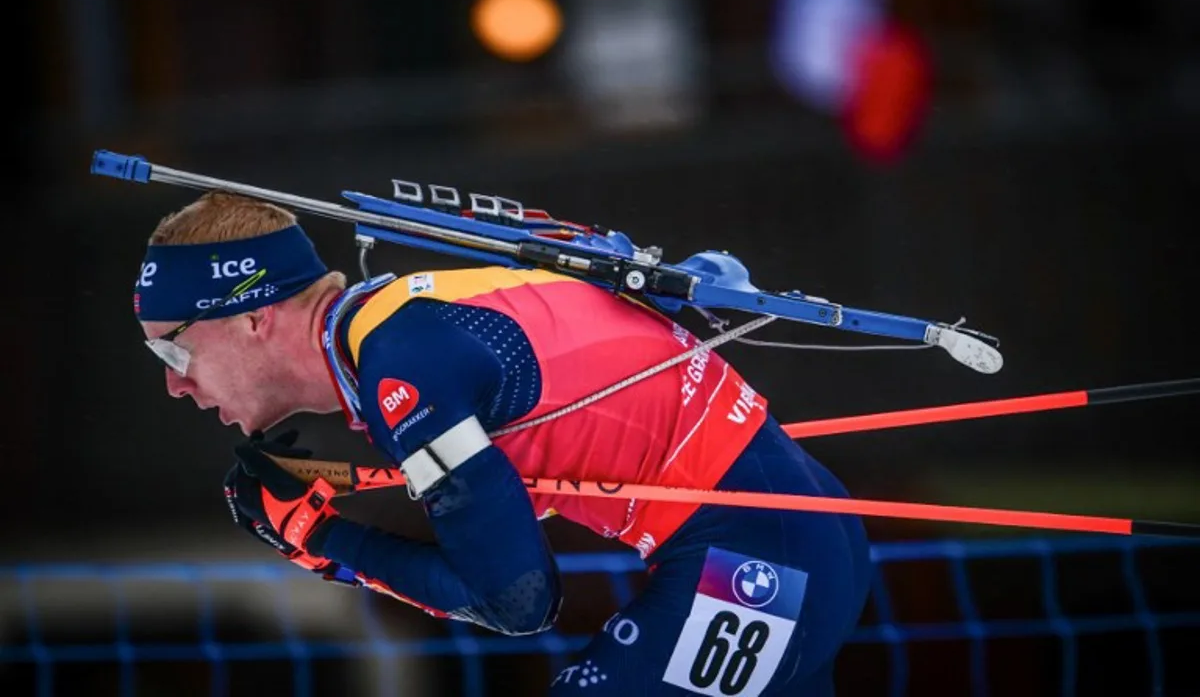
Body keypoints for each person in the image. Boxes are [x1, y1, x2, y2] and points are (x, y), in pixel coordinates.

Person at [134, 189, 872, 695]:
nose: (175, 387)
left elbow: (515, 602)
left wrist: (322, 539)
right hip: (794, 539)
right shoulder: (411, 315)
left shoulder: (406, 368)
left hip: (761, 561)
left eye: (174, 353)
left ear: (250, 318)